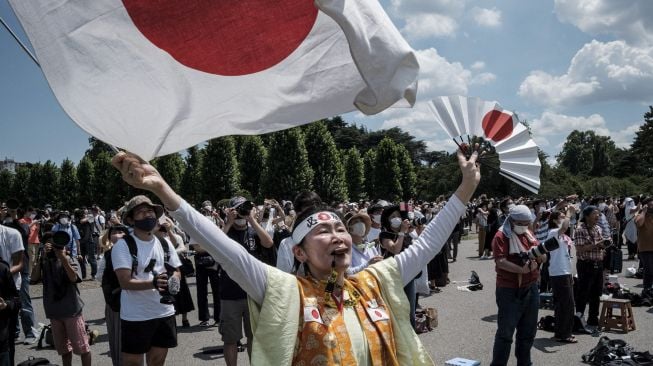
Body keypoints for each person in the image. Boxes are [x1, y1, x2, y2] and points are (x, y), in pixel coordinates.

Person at [111, 146, 480, 365]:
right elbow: (228, 253)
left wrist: (465, 188)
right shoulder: (286, 291)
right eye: (323, 231)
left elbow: (427, 244)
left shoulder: (374, 280)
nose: (338, 235)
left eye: (340, 229)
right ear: (299, 251)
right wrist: (163, 191)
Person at [112, 195, 182, 366]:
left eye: (150, 211)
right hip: (136, 315)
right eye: (141, 212)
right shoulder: (123, 246)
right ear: (130, 219)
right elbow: (124, 282)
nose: (148, 215)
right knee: (132, 362)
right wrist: (153, 283)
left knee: (157, 360)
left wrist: (174, 279)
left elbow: (177, 270)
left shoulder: (164, 242)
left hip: (164, 311)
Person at [220, 196, 273, 365]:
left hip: (252, 292)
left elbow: (268, 243)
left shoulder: (252, 232)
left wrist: (251, 219)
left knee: (254, 337)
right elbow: (212, 244)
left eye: (244, 209)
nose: (241, 213)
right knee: (230, 339)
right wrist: (228, 223)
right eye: (238, 210)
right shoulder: (225, 232)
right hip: (230, 293)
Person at [490, 205, 544, 366]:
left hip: (531, 287)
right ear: (512, 221)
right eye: (521, 223)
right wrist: (522, 269)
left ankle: (525, 363)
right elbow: (500, 261)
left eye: (527, 223)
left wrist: (541, 257)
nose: (524, 226)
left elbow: (541, 253)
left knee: (528, 332)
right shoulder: (501, 235)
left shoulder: (528, 234)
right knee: (505, 333)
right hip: (509, 289)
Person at [40, 232, 92, 366]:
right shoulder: (45, 261)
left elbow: (74, 278)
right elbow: (34, 279)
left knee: (82, 348)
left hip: (71, 311)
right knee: (64, 350)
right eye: (50, 245)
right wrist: (41, 257)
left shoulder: (70, 259)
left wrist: (62, 258)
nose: (54, 248)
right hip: (54, 312)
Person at [546, 212, 576, 343]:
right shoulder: (553, 232)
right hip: (558, 272)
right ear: (554, 220)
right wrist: (568, 214)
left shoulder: (563, 235)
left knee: (562, 304)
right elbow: (564, 227)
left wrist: (571, 273)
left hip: (565, 271)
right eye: (561, 217)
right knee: (567, 304)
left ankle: (560, 332)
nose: (564, 219)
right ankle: (564, 334)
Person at [573, 205, 605, 327]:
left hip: (598, 263)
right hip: (586, 265)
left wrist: (604, 245)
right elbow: (580, 249)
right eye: (594, 214)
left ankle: (593, 318)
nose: (597, 216)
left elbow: (600, 243)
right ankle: (579, 319)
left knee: (596, 293)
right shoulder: (580, 229)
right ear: (586, 216)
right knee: (583, 292)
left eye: (598, 214)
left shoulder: (598, 228)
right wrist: (597, 245)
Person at [635, 198, 653, 291]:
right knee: (649, 271)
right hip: (646, 249)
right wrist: (643, 211)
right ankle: (647, 290)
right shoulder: (640, 216)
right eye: (650, 205)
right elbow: (639, 223)